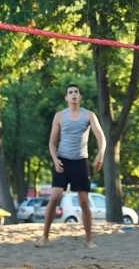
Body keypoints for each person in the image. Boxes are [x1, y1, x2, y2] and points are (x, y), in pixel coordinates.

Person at [35, 84, 106, 248]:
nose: (73, 95)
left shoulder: (89, 115)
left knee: (83, 202)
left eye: (76, 92)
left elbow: (101, 137)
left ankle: (89, 240)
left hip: (80, 162)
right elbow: (52, 143)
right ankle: (44, 236)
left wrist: (100, 154)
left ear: (80, 97)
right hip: (62, 161)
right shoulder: (59, 116)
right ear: (66, 98)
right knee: (54, 197)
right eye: (70, 93)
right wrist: (55, 160)